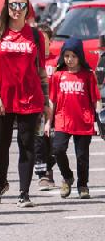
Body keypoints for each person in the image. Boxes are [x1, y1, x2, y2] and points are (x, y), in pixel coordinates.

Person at [0, 0, 50, 206]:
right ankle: (1, 182)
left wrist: (47, 99)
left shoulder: (35, 35)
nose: (16, 9)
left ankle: (24, 192)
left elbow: (41, 70)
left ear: (27, 8)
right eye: (12, 4)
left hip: (30, 97)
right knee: (0, 147)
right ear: (6, 7)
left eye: (21, 5)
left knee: (27, 145)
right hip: (2, 98)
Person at [49, 39, 102, 199]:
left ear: (80, 56)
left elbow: (96, 100)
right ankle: (67, 177)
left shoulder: (88, 75)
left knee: (82, 156)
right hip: (62, 119)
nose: (69, 59)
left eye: (73, 56)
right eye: (66, 56)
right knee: (58, 150)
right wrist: (47, 122)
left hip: (83, 120)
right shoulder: (58, 75)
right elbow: (52, 100)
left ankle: (83, 185)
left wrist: (98, 120)